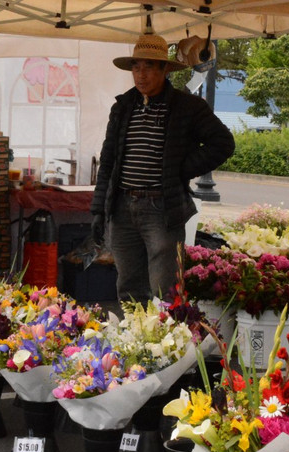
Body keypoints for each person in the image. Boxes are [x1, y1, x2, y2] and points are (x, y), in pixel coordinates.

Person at [90, 33, 235, 302]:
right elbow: (108, 160)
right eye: (136, 66)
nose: (140, 74)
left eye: (148, 66)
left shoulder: (187, 107)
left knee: (165, 289)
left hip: (162, 208)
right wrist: (99, 209)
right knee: (129, 287)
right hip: (122, 207)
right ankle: (136, 342)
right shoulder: (122, 107)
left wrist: (181, 168)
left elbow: (223, 143)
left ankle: (167, 342)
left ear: (164, 69)